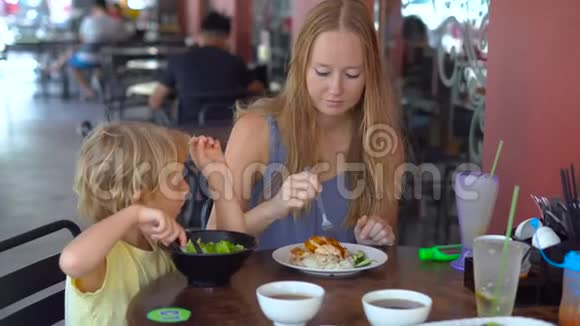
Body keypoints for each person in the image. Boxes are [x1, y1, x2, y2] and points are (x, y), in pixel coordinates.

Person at [205, 0, 405, 250]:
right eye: (322, 72)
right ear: (301, 67)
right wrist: (273, 209)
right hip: (260, 289)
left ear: (370, 75)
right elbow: (212, 239)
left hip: (348, 290)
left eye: (352, 75)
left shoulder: (383, 141)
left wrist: (375, 237)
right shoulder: (257, 130)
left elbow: (385, 238)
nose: (336, 89)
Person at [59, 121, 231, 325]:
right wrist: (134, 214)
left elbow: (230, 250)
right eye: (176, 182)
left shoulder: (160, 241)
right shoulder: (104, 259)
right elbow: (71, 261)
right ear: (139, 195)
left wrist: (218, 179)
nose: (187, 189)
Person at [148, 11, 264, 123]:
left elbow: (155, 102)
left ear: (201, 34)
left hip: (188, 132)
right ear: (227, 37)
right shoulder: (235, 62)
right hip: (228, 130)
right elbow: (258, 90)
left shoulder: (179, 60)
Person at [49, 0, 128, 99]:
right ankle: (99, 83)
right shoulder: (117, 22)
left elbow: (82, 39)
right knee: (77, 55)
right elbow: (124, 38)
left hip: (90, 58)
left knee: (72, 63)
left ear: (95, 8)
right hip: (111, 58)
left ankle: (88, 91)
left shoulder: (89, 20)